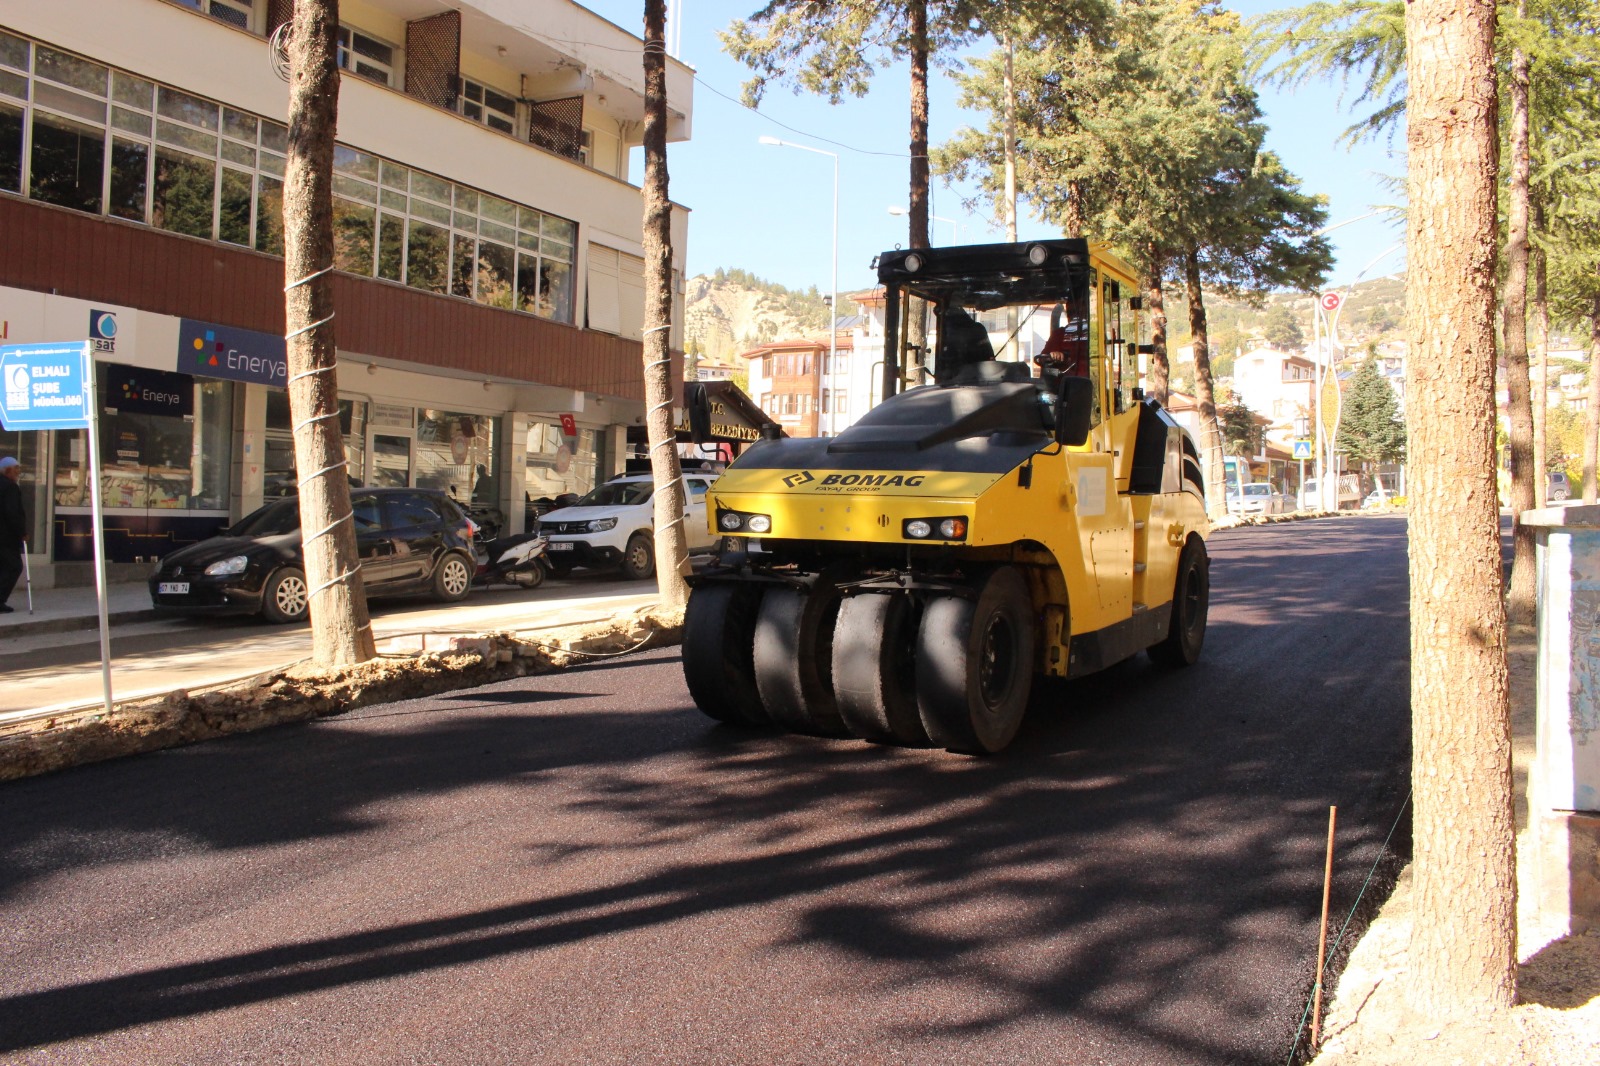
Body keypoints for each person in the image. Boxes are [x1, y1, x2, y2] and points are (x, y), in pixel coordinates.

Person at [0, 455, 26, 614]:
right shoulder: (10, 487)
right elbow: (12, 513)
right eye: (16, 470)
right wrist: (22, 532)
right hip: (6, 537)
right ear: (7, 470)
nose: (18, 473)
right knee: (14, 567)